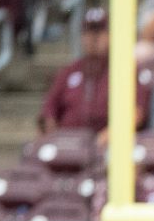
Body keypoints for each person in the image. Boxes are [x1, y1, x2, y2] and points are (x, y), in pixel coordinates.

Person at [41, 10, 137, 138]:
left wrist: (111, 134)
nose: (94, 38)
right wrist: (53, 138)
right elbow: (49, 110)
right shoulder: (69, 72)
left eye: (100, 32)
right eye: (89, 32)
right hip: (69, 143)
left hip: (108, 146)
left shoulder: (123, 69)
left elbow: (137, 112)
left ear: (111, 35)